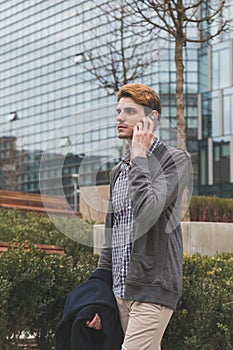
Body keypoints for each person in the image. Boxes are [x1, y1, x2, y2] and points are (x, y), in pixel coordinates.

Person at [88, 83, 192, 350]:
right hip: (120, 290)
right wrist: (99, 294)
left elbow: (148, 211)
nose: (119, 117)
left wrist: (139, 155)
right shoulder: (118, 171)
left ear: (152, 118)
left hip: (152, 287)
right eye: (118, 110)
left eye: (129, 111)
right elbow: (114, 234)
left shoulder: (174, 160)